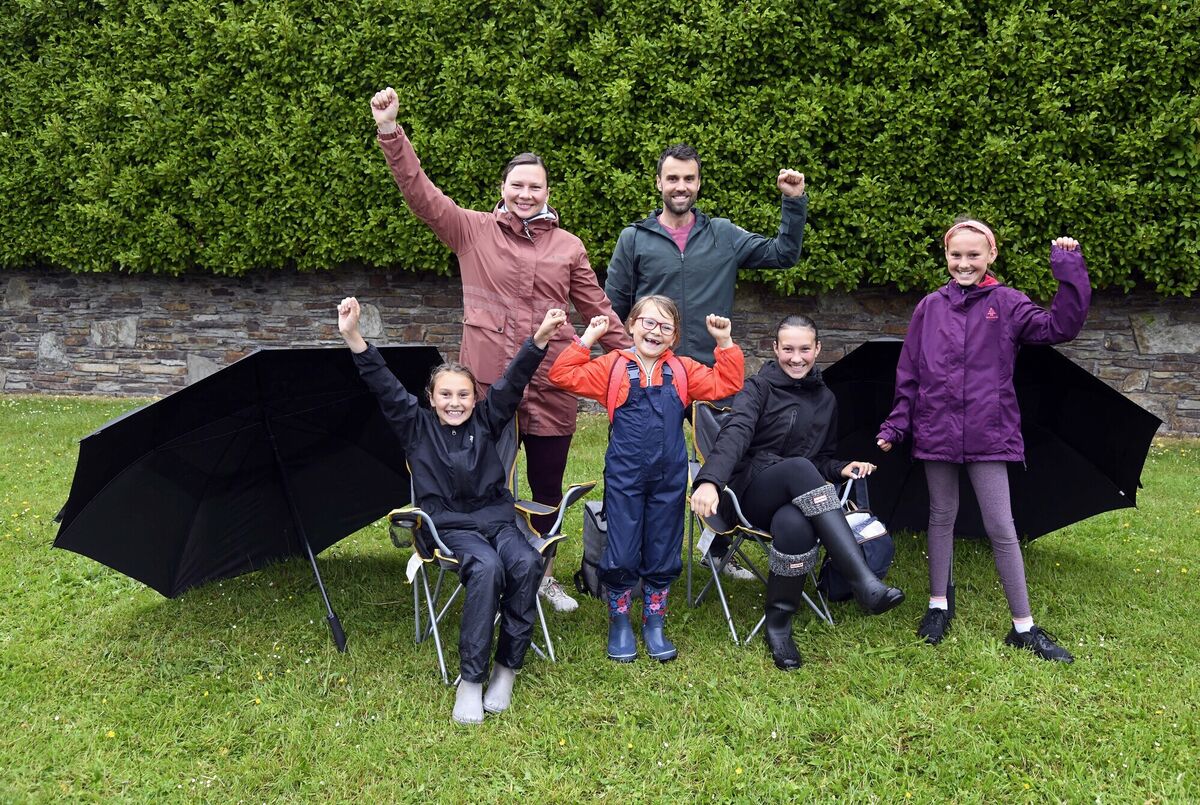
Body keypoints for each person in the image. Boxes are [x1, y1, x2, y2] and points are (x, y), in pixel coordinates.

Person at [370, 86, 630, 615]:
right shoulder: (472, 230)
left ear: (548, 191)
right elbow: (422, 195)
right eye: (517, 185)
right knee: (491, 484)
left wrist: (641, 361)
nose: (526, 194)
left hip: (552, 380)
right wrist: (391, 132)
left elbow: (596, 308)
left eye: (535, 186)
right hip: (490, 388)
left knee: (548, 484)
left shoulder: (569, 246)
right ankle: (493, 563)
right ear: (503, 187)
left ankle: (544, 574)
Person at [339, 298, 566, 724]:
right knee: (486, 569)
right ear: (431, 398)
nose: (455, 402)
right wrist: (354, 337)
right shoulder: (415, 425)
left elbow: (513, 382)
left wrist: (538, 340)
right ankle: (471, 679)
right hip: (447, 527)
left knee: (525, 562)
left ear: (474, 398)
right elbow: (384, 385)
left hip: (497, 519)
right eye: (446, 395)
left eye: (463, 394)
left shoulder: (487, 420)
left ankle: (506, 668)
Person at [876, 220, 1091, 663]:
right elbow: (910, 374)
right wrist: (896, 426)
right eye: (956, 255)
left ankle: (1024, 626)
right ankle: (938, 606)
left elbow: (1059, 328)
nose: (964, 263)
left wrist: (1068, 268)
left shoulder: (1007, 303)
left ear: (991, 255)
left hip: (989, 432)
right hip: (935, 429)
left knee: (1001, 526)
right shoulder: (929, 307)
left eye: (974, 255)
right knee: (941, 517)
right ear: (946, 256)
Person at [604, 143, 808, 579]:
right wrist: (627, 367)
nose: (681, 186)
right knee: (637, 468)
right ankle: (628, 558)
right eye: (672, 178)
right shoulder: (634, 238)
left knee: (729, 458)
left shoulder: (725, 235)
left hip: (710, 376)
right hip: (651, 378)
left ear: (698, 183)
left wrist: (793, 203)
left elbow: (783, 254)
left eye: (689, 179)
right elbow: (613, 309)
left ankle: (718, 548)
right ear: (659, 183)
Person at [690, 315, 904, 671]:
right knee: (798, 468)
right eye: (788, 349)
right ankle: (863, 580)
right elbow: (734, 435)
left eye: (805, 349)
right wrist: (710, 480)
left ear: (818, 349)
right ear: (775, 349)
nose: (796, 357)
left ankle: (778, 627)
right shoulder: (758, 388)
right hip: (747, 495)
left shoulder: (826, 400)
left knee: (796, 524)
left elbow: (820, 459)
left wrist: (840, 469)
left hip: (796, 500)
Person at [549, 295, 745, 662]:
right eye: (648, 323)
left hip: (669, 477)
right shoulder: (612, 367)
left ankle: (654, 621)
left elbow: (728, 382)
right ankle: (620, 621)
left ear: (674, 337)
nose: (655, 332)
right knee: (621, 548)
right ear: (632, 325)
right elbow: (562, 375)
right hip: (625, 475)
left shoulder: (683, 370)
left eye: (665, 327)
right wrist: (588, 339)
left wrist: (724, 342)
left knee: (663, 546)